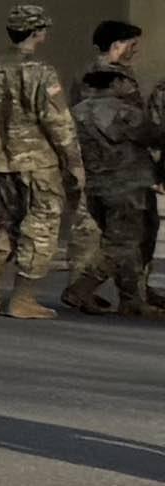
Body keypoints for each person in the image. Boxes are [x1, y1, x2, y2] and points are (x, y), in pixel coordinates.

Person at [0, 9, 86, 316]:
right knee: (42, 224)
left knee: (8, 223)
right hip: (37, 160)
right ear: (37, 32)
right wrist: (74, 162)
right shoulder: (41, 71)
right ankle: (23, 297)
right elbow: (57, 121)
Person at [74, 20, 155, 319]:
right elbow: (141, 128)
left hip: (120, 171)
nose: (135, 50)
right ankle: (86, 287)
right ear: (117, 44)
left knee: (139, 233)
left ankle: (134, 293)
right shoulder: (99, 78)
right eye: (132, 44)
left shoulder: (114, 78)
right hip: (121, 174)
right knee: (122, 237)